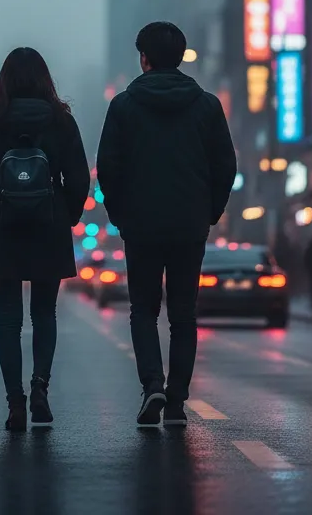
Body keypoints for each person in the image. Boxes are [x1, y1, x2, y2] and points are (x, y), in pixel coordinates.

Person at [96, 21, 236, 426]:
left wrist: (121, 215)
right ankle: (176, 401)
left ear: (144, 58)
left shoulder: (123, 105)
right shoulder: (206, 105)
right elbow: (225, 165)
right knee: (183, 313)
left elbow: (108, 168)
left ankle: (152, 384)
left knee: (142, 308)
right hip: (189, 224)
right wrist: (209, 211)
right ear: (181, 57)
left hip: (141, 224)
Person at [0, 47, 90, 431]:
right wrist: (65, 216)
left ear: (3, 80)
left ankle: (14, 401)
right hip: (48, 228)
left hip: (4, 229)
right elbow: (79, 178)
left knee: (8, 318)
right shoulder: (60, 121)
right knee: (44, 313)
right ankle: (40, 388)